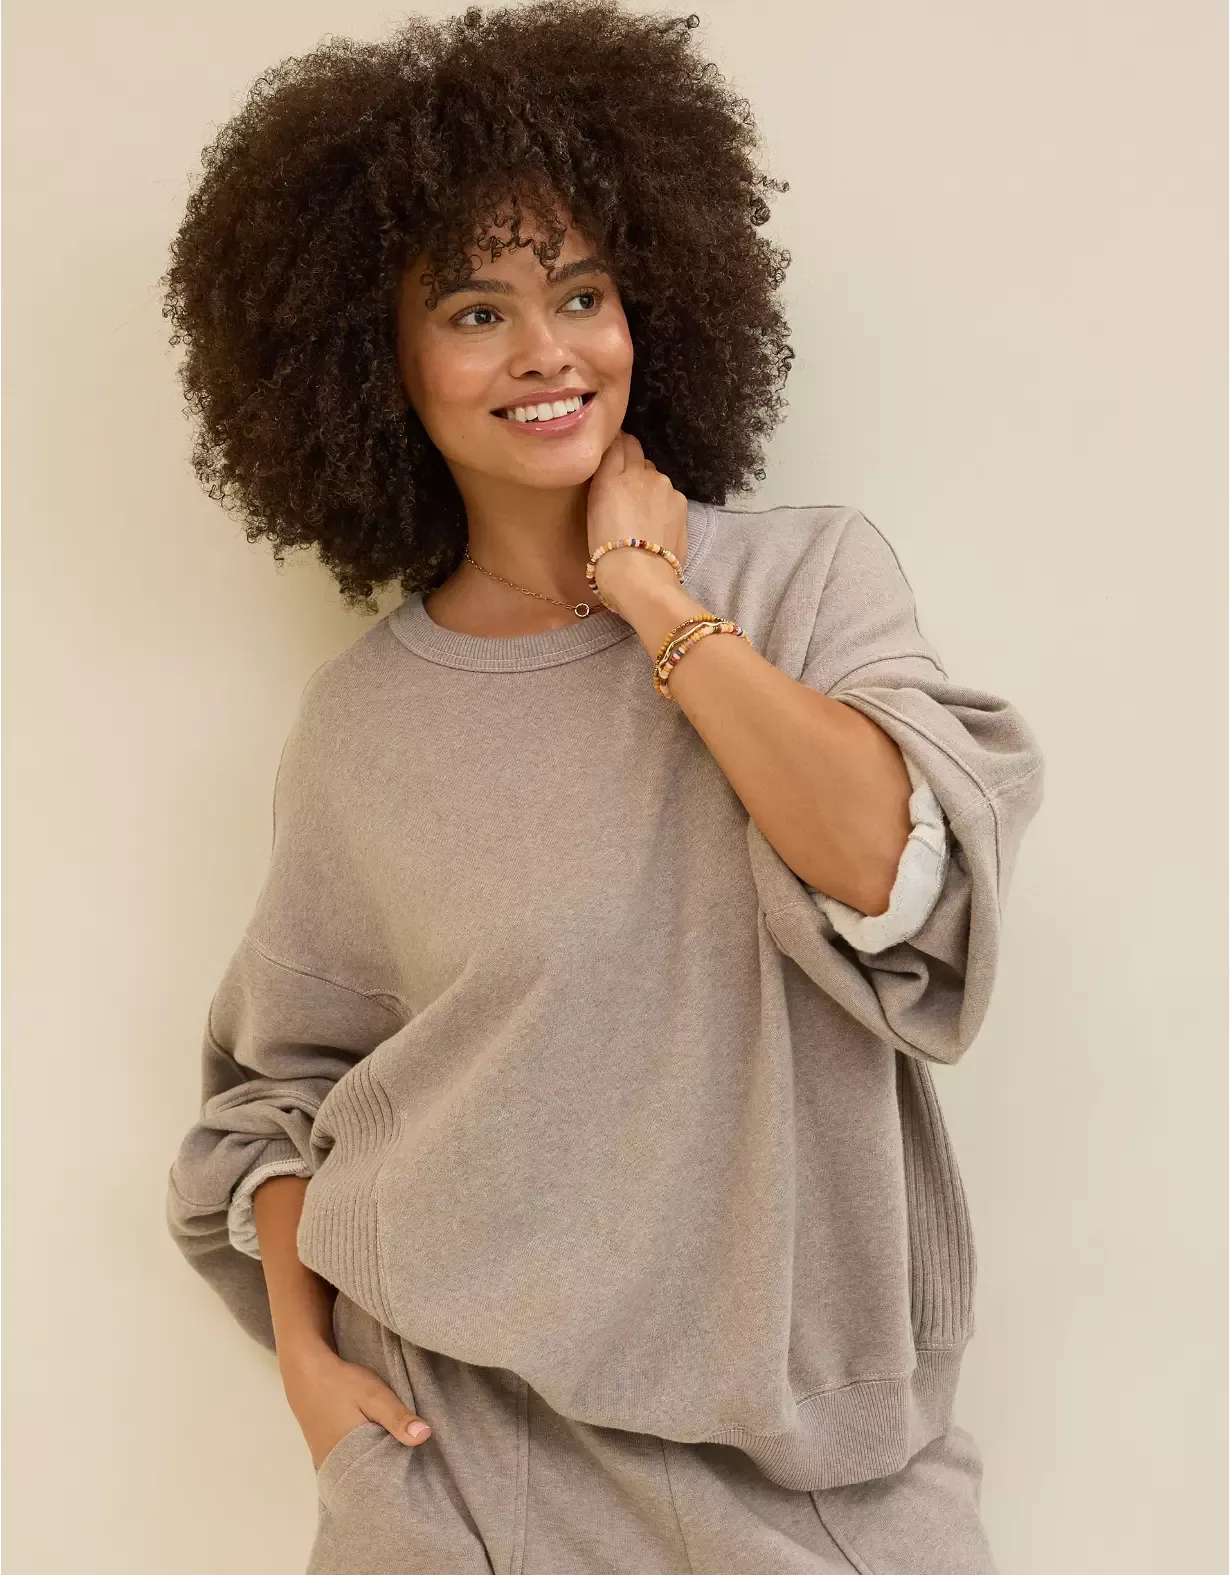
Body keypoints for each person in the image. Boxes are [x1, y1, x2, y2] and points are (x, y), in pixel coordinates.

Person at [162, 4, 1045, 1571]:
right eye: (475, 310)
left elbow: (892, 873)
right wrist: (305, 1358)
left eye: (580, 291)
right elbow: (277, 1094)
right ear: (374, 360)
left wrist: (650, 596)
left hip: (827, 1476)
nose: (547, 349)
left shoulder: (801, 585)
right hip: (468, 1476)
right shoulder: (367, 724)